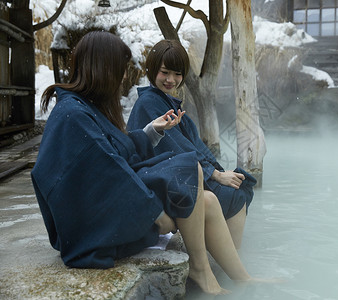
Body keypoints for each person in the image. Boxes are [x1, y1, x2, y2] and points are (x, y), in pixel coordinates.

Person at [31, 31, 255, 295]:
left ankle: (237, 277)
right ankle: (203, 271)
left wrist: (151, 132)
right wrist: (154, 213)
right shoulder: (72, 115)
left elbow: (114, 153)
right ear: (103, 69)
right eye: (121, 69)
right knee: (189, 169)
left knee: (204, 195)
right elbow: (106, 170)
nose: (124, 77)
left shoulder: (83, 107)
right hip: (90, 225)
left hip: (107, 202)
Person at [127, 39, 256, 249]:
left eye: (177, 74)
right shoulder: (149, 103)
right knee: (234, 197)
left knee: (239, 183)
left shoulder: (168, 102)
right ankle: (227, 262)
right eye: (165, 72)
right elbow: (175, 149)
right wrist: (214, 175)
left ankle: (226, 258)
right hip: (159, 183)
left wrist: (218, 171)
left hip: (178, 174)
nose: (171, 79)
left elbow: (196, 145)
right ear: (152, 70)